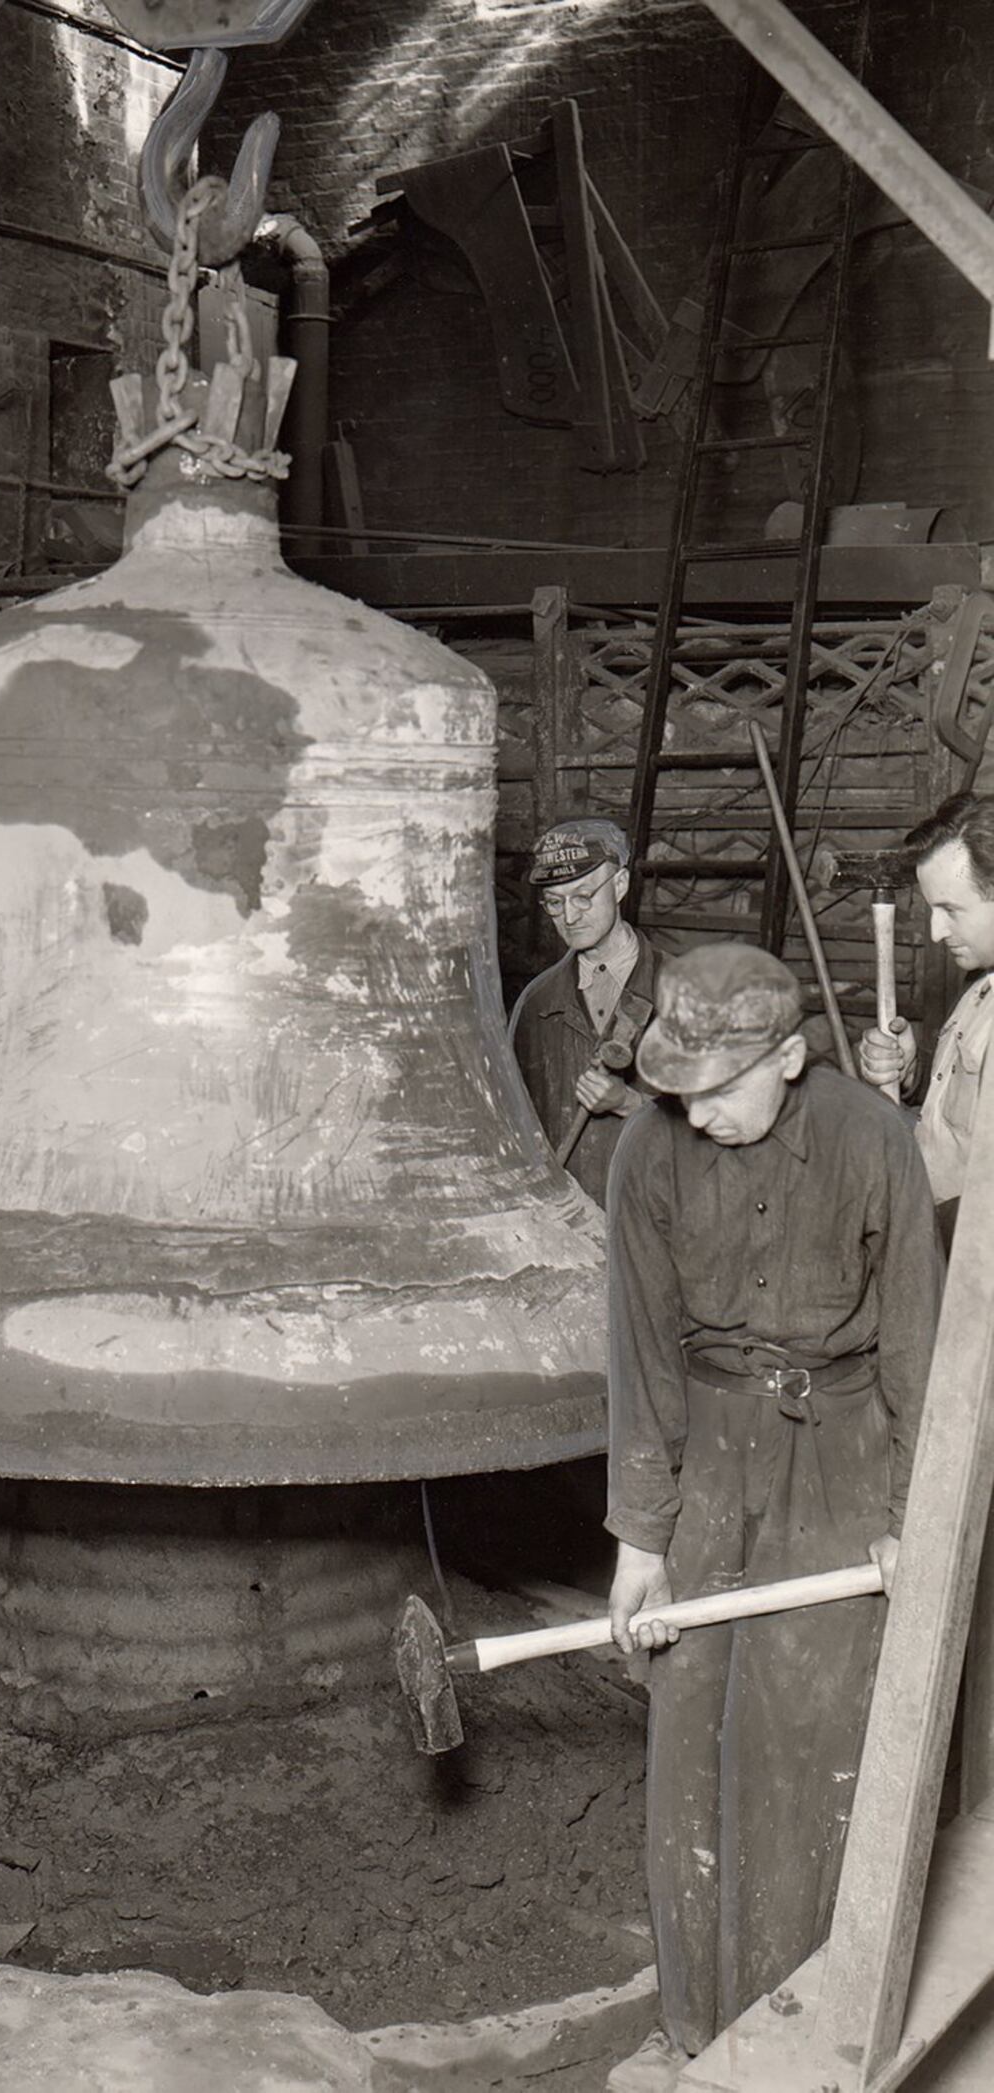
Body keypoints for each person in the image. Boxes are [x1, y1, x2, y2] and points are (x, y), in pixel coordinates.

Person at [602, 942, 940, 2090]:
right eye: (677, 1089)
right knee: (689, 1716)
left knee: (803, 1733)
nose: (696, 1116)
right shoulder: (648, 1155)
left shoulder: (868, 1139)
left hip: (839, 1459)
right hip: (707, 1463)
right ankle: (695, 2024)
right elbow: (640, 1353)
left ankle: (795, 2027)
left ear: (790, 1056)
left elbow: (917, 1344)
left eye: (719, 1089)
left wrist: (910, 1516)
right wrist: (641, 1539)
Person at [858, 790, 994, 1247]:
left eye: (951, 910)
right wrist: (915, 1073)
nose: (936, 932)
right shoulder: (980, 985)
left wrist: (908, 1232)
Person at [509, 817, 659, 1205]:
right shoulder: (537, 1003)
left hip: (658, 1215)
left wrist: (629, 1103)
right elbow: (516, 1126)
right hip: (571, 1223)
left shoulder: (685, 988)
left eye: (583, 896)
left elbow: (724, 1128)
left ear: (621, 885)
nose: (569, 917)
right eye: (554, 903)